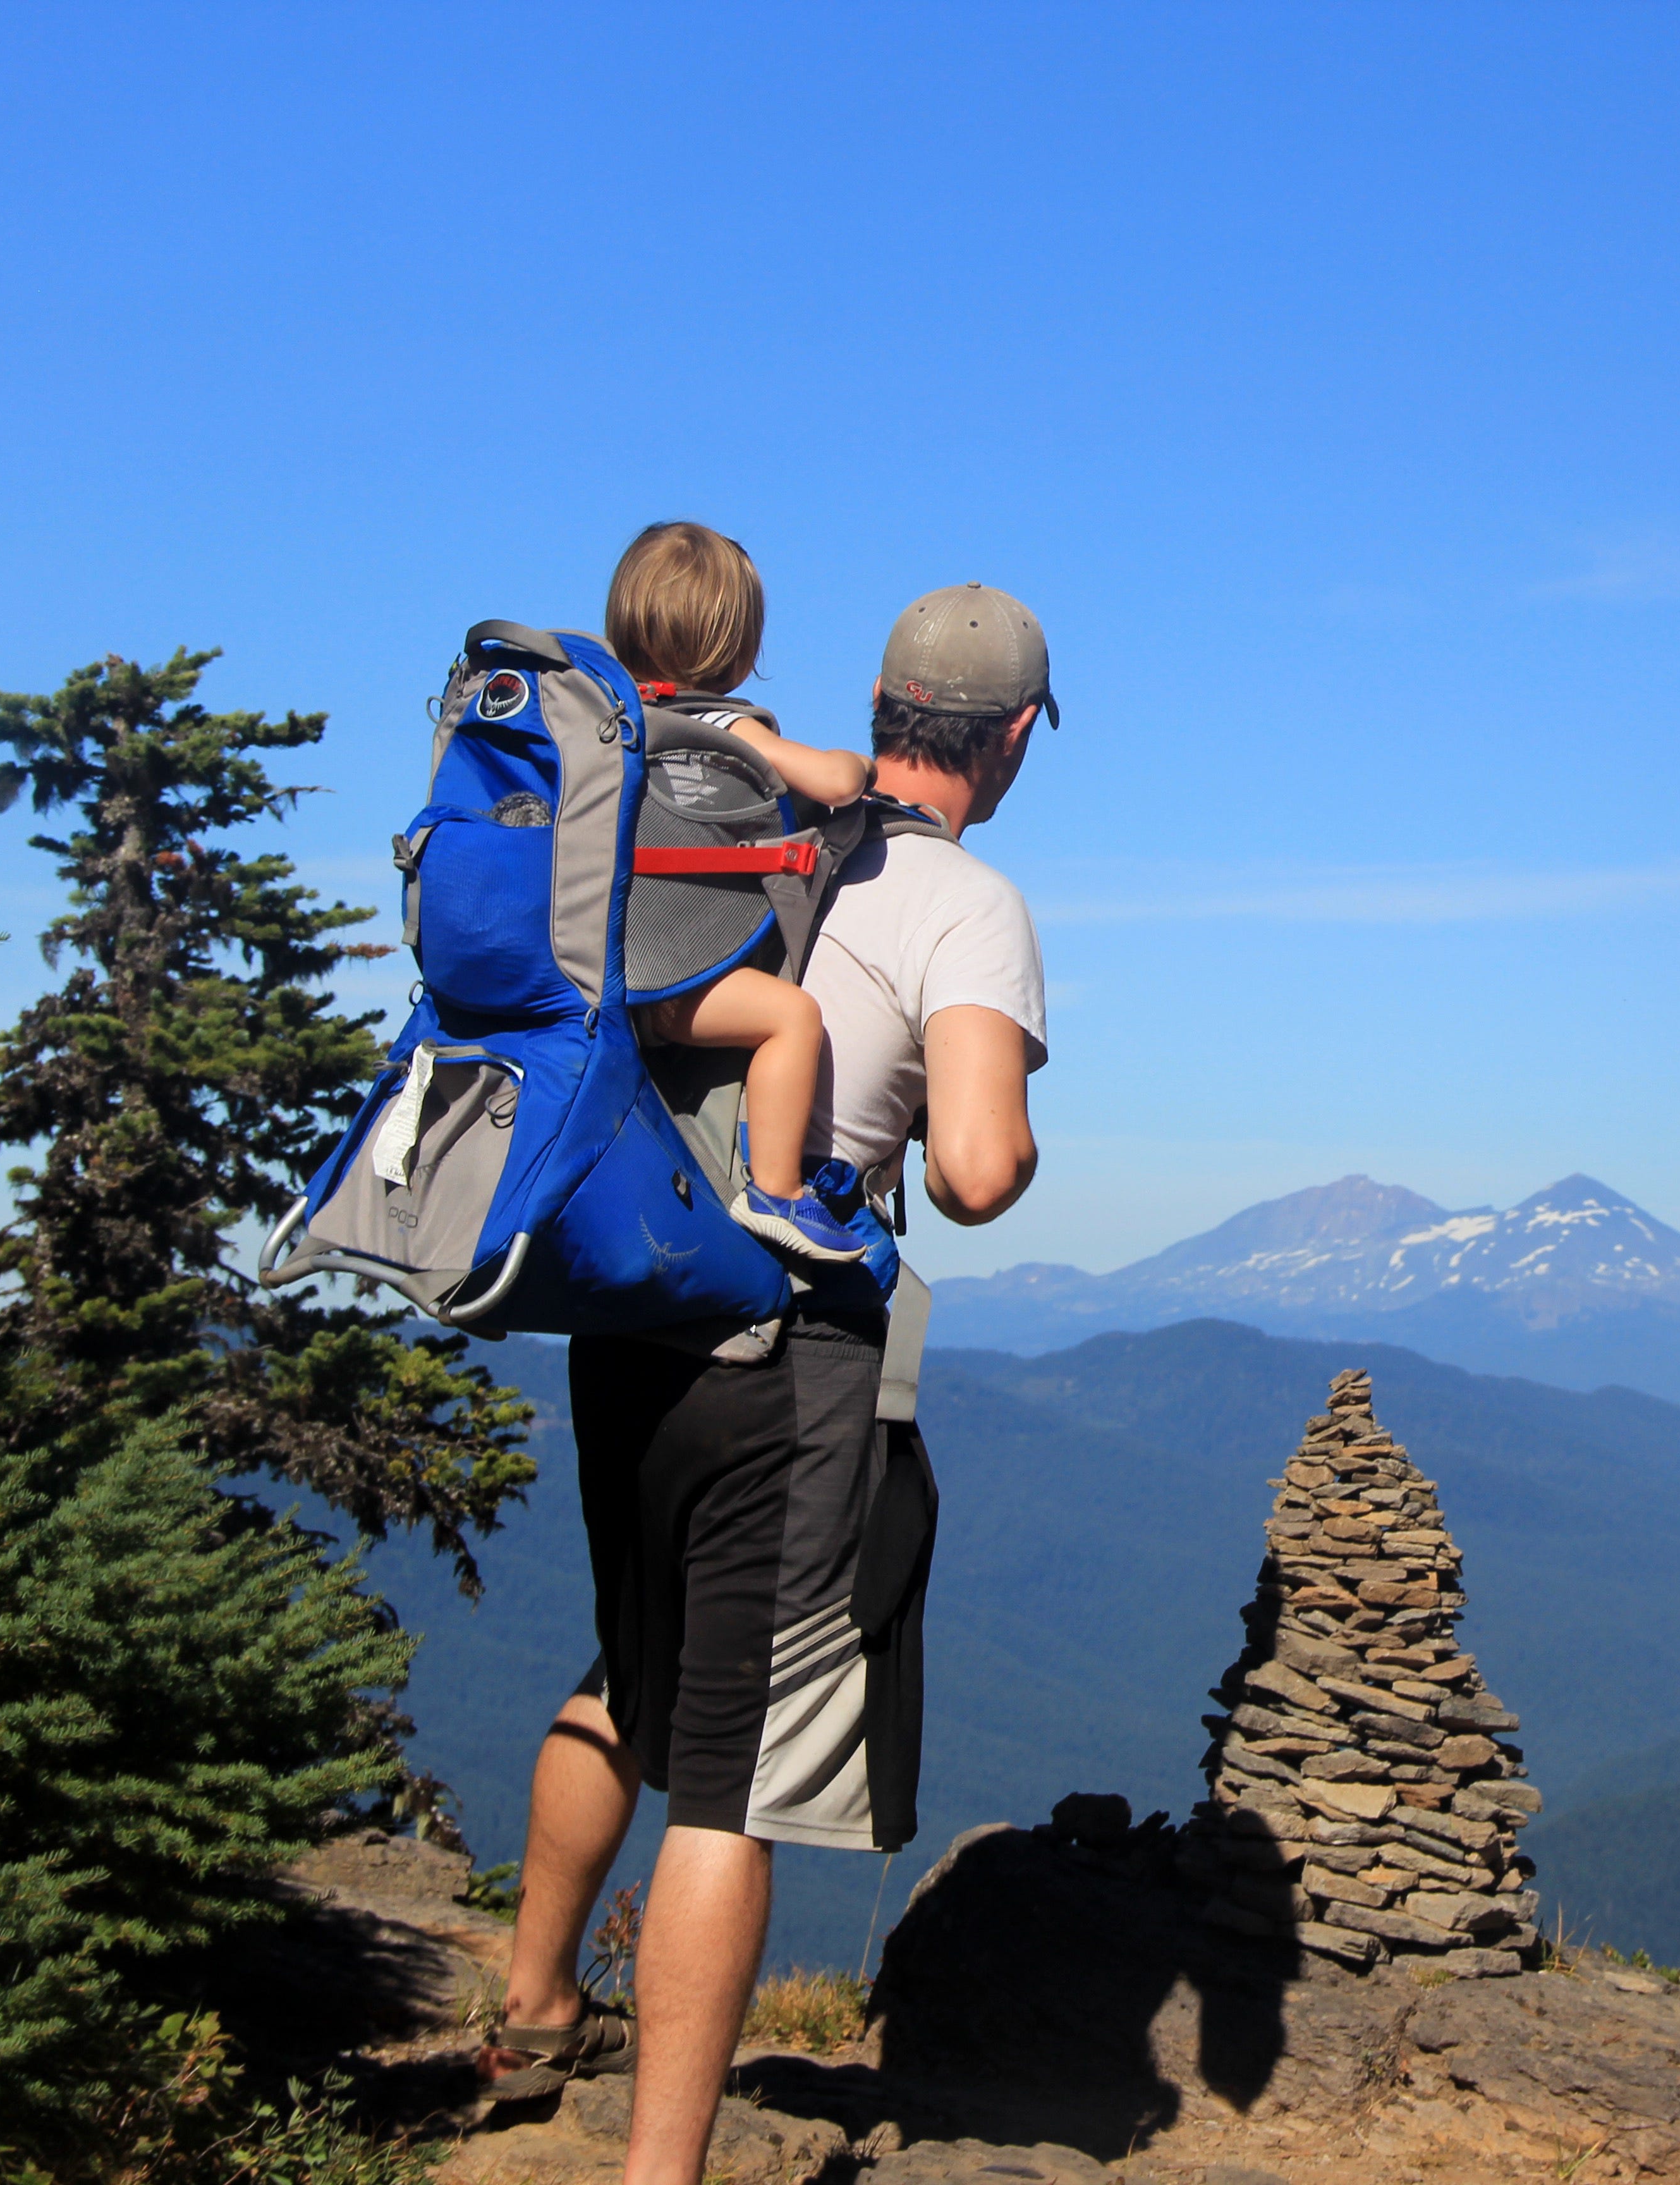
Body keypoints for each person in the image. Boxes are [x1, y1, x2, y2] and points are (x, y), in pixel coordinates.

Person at [485, 582, 1057, 2185]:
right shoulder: (963, 898)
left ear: (880, 705)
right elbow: (975, 1166)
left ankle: (532, 2006)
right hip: (784, 1348)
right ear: (1012, 737)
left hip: (628, 1303)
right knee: (729, 1775)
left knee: (631, 1669)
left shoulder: (715, 803)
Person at [604, 520, 881, 1264]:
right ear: (742, 648)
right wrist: (858, 762)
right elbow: (833, 782)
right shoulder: (718, 729)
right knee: (792, 1018)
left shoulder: (605, 727)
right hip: (677, 986)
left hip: (591, 977)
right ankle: (778, 1190)